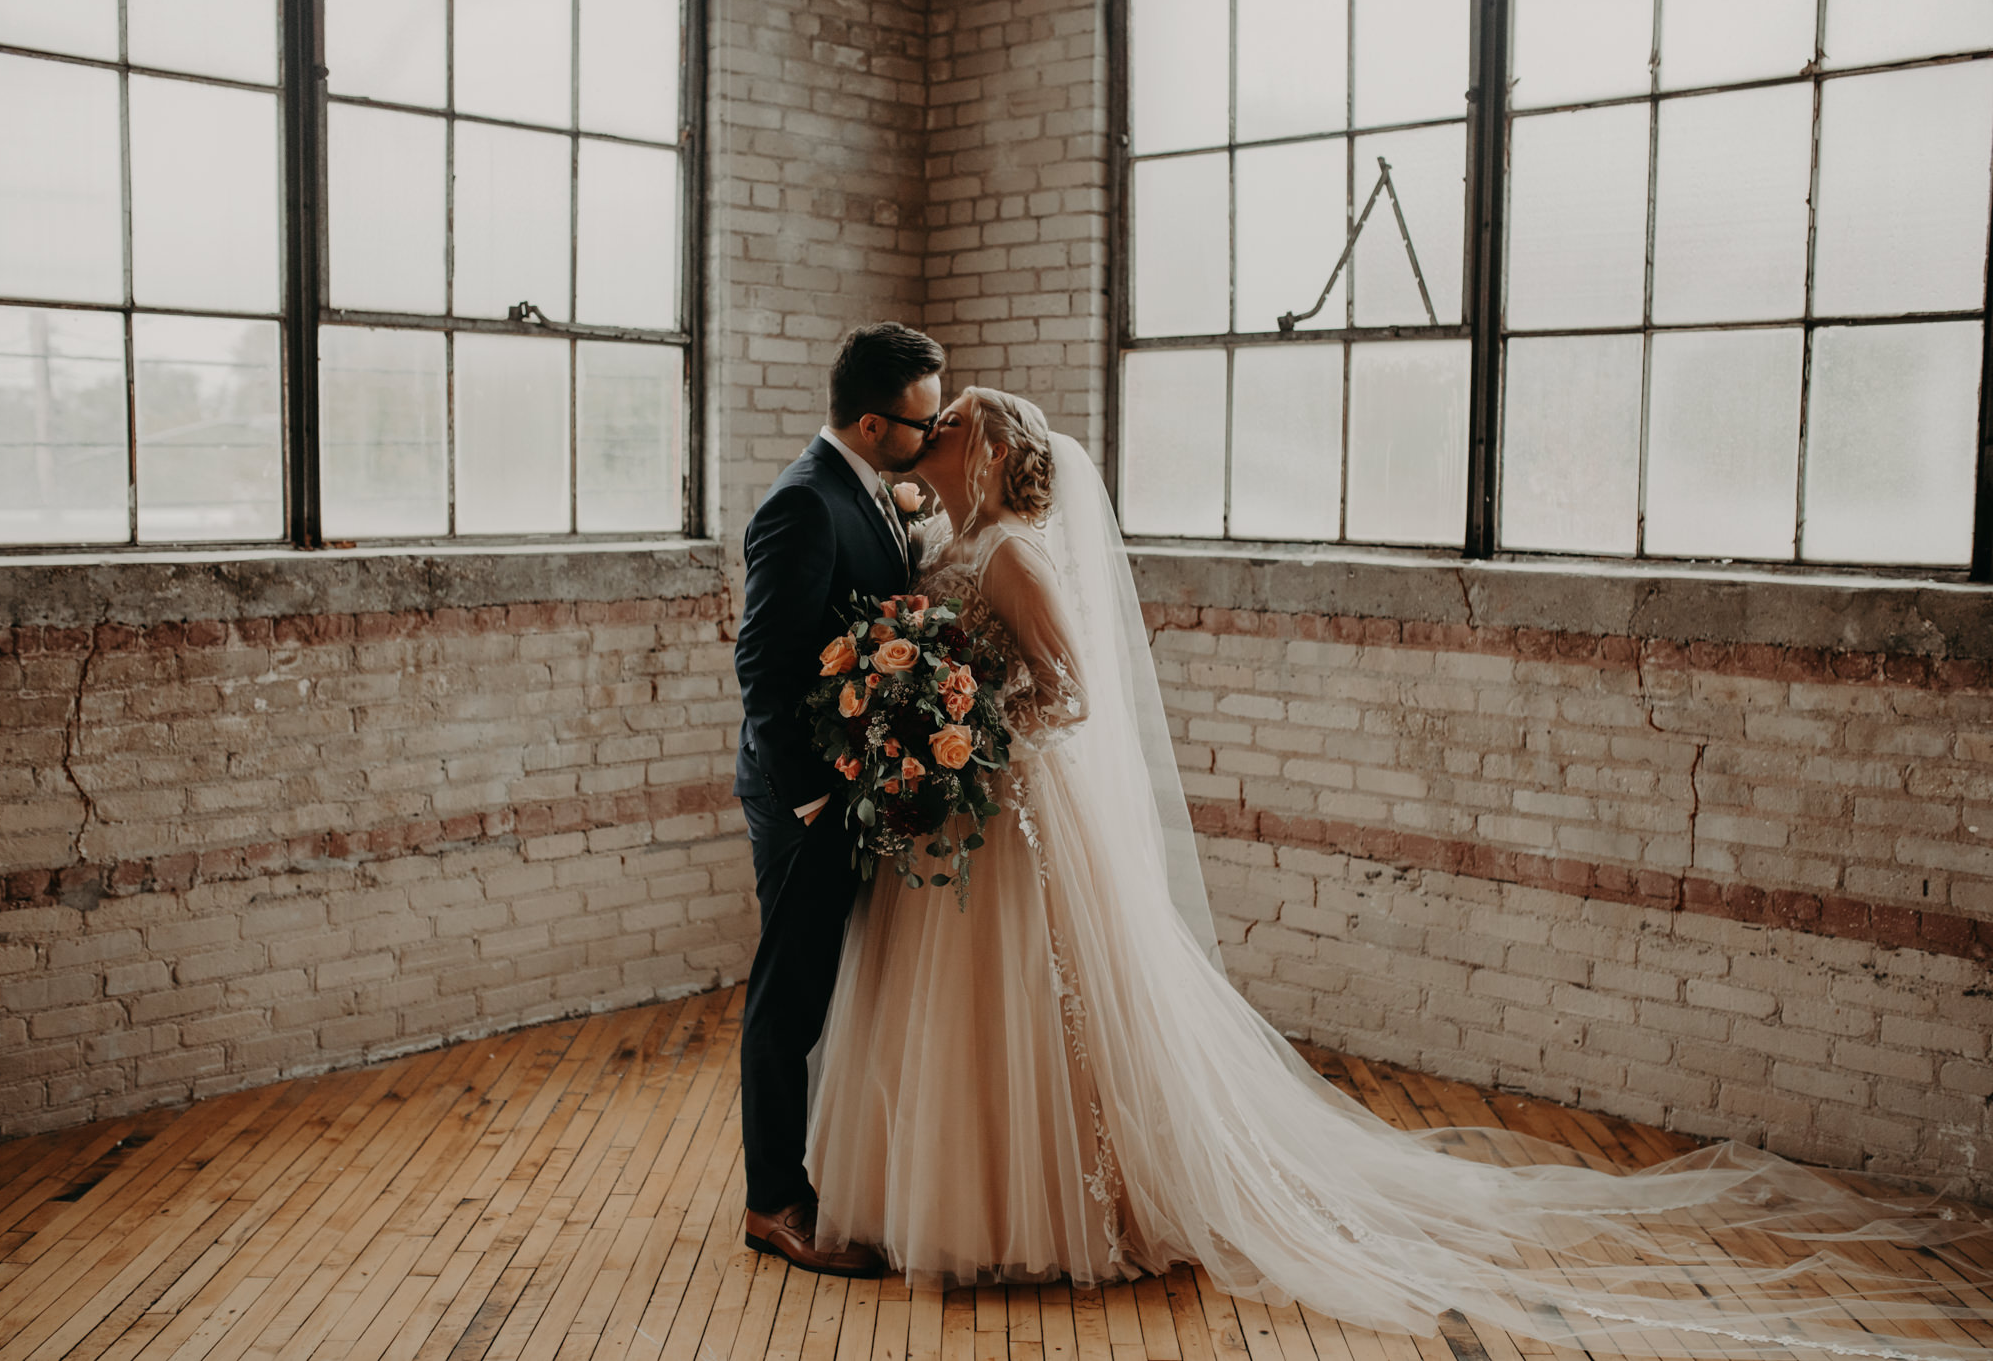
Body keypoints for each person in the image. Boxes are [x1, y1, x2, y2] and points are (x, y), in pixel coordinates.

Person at [801, 387, 1993, 1358]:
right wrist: (917, 713)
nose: (933, 437)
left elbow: (1068, 693)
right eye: (930, 423)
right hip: (949, 823)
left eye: (950, 424)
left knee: (1034, 1006)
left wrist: (979, 729)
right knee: (950, 1017)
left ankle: (1049, 1205)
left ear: (994, 450)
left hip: (1013, 813)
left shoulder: (1012, 553)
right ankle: (945, 1196)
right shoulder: (942, 541)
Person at [731, 321, 944, 1278]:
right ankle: (773, 1200)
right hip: (807, 802)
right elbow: (763, 670)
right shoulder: (803, 506)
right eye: (918, 424)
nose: (930, 438)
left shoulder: (871, 490)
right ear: (868, 422)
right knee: (790, 996)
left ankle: (824, 1167)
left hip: (858, 794)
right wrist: (814, 799)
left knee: (830, 987)